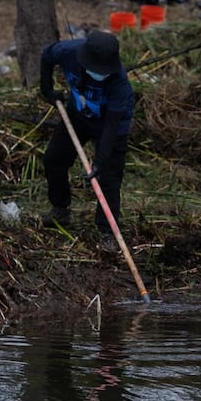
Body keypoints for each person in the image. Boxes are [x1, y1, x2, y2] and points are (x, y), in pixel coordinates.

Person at [39, 31, 135, 253]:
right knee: (54, 160)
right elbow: (46, 56)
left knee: (108, 178)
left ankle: (108, 232)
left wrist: (100, 161)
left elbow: (112, 125)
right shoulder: (67, 51)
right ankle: (60, 210)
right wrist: (46, 90)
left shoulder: (119, 83)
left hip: (111, 127)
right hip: (77, 115)